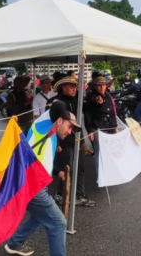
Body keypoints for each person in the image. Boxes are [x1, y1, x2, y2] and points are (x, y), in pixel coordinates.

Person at [5, 101, 80, 256]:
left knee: (40, 216)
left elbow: (42, 156)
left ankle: (14, 243)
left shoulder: (52, 132)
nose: (70, 131)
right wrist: (62, 104)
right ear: (59, 120)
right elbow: (58, 106)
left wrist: (58, 171)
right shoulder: (43, 125)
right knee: (58, 223)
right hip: (32, 186)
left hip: (35, 183)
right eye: (70, 126)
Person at [51, 77, 91, 207]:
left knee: (81, 167)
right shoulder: (57, 103)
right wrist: (56, 143)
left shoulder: (77, 100)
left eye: (76, 86)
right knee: (66, 168)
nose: (74, 89)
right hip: (64, 139)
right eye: (71, 87)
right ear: (63, 88)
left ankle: (79, 195)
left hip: (78, 137)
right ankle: (61, 194)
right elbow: (53, 125)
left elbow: (89, 110)